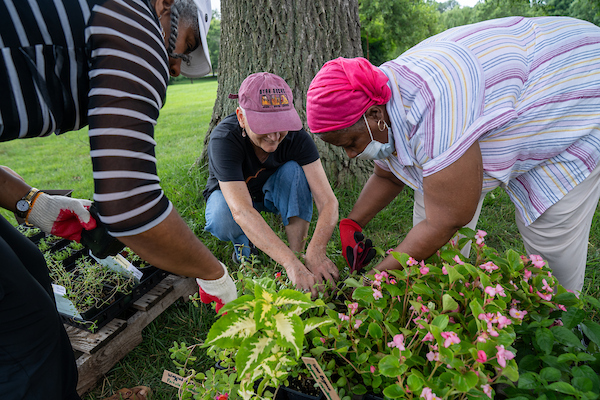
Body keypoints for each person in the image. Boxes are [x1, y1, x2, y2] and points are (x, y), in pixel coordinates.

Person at [0, 0, 236, 399]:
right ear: (164, 6)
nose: (176, 66)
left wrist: (32, 203)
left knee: (30, 263)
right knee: (28, 340)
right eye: (188, 42)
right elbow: (131, 205)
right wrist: (213, 273)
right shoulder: (134, 16)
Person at [306, 16, 600, 295]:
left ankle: (561, 326)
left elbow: (448, 219)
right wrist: (353, 222)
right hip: (507, 86)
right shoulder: (378, 95)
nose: (351, 154)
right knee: (435, 239)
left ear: (373, 115)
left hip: (573, 81)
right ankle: (443, 307)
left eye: (351, 142)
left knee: (549, 230)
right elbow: (388, 173)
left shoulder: (433, 105)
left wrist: (376, 278)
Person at [203, 72, 339, 296]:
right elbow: (242, 210)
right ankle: (247, 255)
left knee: (295, 171)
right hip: (232, 200)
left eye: (281, 125)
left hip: (270, 192)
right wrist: (287, 263)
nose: (275, 136)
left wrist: (316, 250)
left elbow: (328, 201)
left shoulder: (296, 137)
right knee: (221, 216)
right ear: (241, 117)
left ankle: (298, 254)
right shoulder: (224, 139)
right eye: (265, 126)